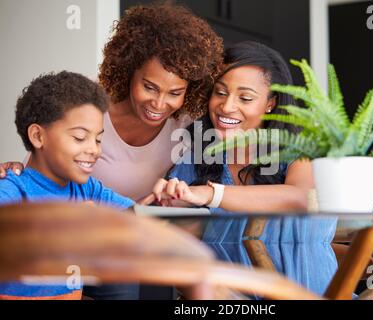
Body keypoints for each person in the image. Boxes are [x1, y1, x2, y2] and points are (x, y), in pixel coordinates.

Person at [0, 4, 223, 299]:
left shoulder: (188, 125)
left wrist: (164, 201)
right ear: (130, 72)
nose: (159, 104)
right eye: (150, 87)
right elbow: (40, 173)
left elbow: (134, 212)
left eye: (174, 93)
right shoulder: (86, 105)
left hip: (117, 249)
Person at [146, 41, 338, 295]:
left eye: (245, 97)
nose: (226, 107)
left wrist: (211, 194)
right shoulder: (194, 161)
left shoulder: (299, 152)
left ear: (271, 103)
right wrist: (176, 206)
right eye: (220, 92)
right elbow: (181, 258)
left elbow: (303, 198)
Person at [0, 71, 139, 299]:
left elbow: (135, 216)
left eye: (98, 139)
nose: (95, 149)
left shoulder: (87, 189)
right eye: (79, 137)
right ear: (37, 136)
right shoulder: (13, 189)